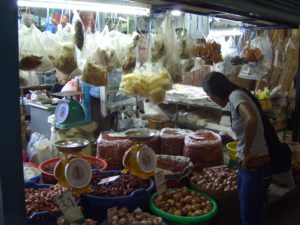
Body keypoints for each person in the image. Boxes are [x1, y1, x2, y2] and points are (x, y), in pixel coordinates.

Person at [202, 71, 273, 225]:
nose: (211, 99)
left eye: (209, 95)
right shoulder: (238, 94)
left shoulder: (235, 96)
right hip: (254, 166)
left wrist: (246, 152)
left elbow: (251, 119)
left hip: (255, 167)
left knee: (249, 219)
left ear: (216, 91)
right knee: (252, 215)